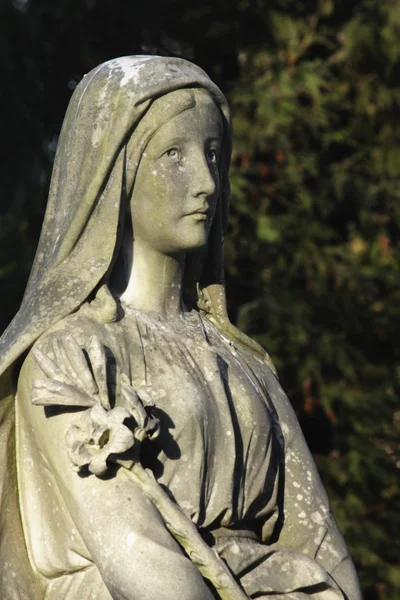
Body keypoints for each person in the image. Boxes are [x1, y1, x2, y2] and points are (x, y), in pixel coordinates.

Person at [0, 56, 362, 600]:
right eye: (174, 154)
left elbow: (319, 542)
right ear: (115, 174)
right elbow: (138, 559)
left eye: (213, 154)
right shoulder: (73, 358)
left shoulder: (246, 364)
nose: (206, 182)